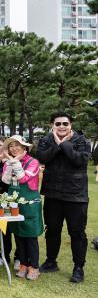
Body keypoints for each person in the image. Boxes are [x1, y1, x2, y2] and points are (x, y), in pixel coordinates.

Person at [36, 111, 91, 283]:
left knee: (77, 233)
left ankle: (78, 267)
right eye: (58, 124)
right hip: (52, 195)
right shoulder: (46, 140)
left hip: (76, 196)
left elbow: (79, 161)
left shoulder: (82, 141)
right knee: (52, 230)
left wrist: (63, 144)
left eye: (65, 124)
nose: (61, 126)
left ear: (70, 125)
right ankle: (51, 261)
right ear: (52, 125)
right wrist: (56, 145)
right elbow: (42, 157)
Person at [1, 135, 43, 280]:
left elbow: (24, 178)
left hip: (30, 203)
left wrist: (13, 162)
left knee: (30, 236)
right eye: (11, 146)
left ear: (24, 147)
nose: (14, 148)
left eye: (17, 145)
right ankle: (24, 263)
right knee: (18, 233)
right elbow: (6, 180)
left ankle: (34, 266)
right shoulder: (9, 162)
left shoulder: (33, 162)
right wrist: (10, 163)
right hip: (14, 201)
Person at [0, 136, 20, 270]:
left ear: (6, 147)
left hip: (16, 197)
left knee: (18, 229)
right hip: (0, 198)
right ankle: (2, 255)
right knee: (4, 229)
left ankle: (19, 257)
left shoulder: (14, 160)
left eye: (0, 145)